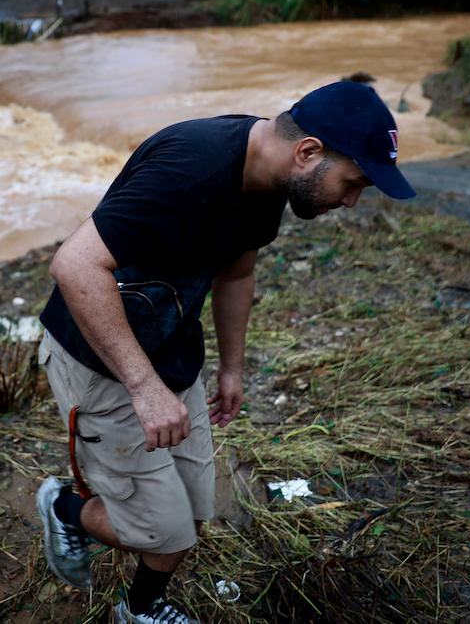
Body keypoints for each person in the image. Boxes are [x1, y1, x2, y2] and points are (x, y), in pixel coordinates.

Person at [35, 81, 416, 623]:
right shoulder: (190, 169)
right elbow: (74, 266)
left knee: (192, 516)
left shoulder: (271, 178)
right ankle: (64, 508)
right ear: (308, 151)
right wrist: (144, 389)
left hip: (169, 348)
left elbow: (238, 271)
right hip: (100, 359)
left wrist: (232, 368)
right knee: (160, 532)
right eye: (352, 183)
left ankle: (140, 610)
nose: (351, 202)